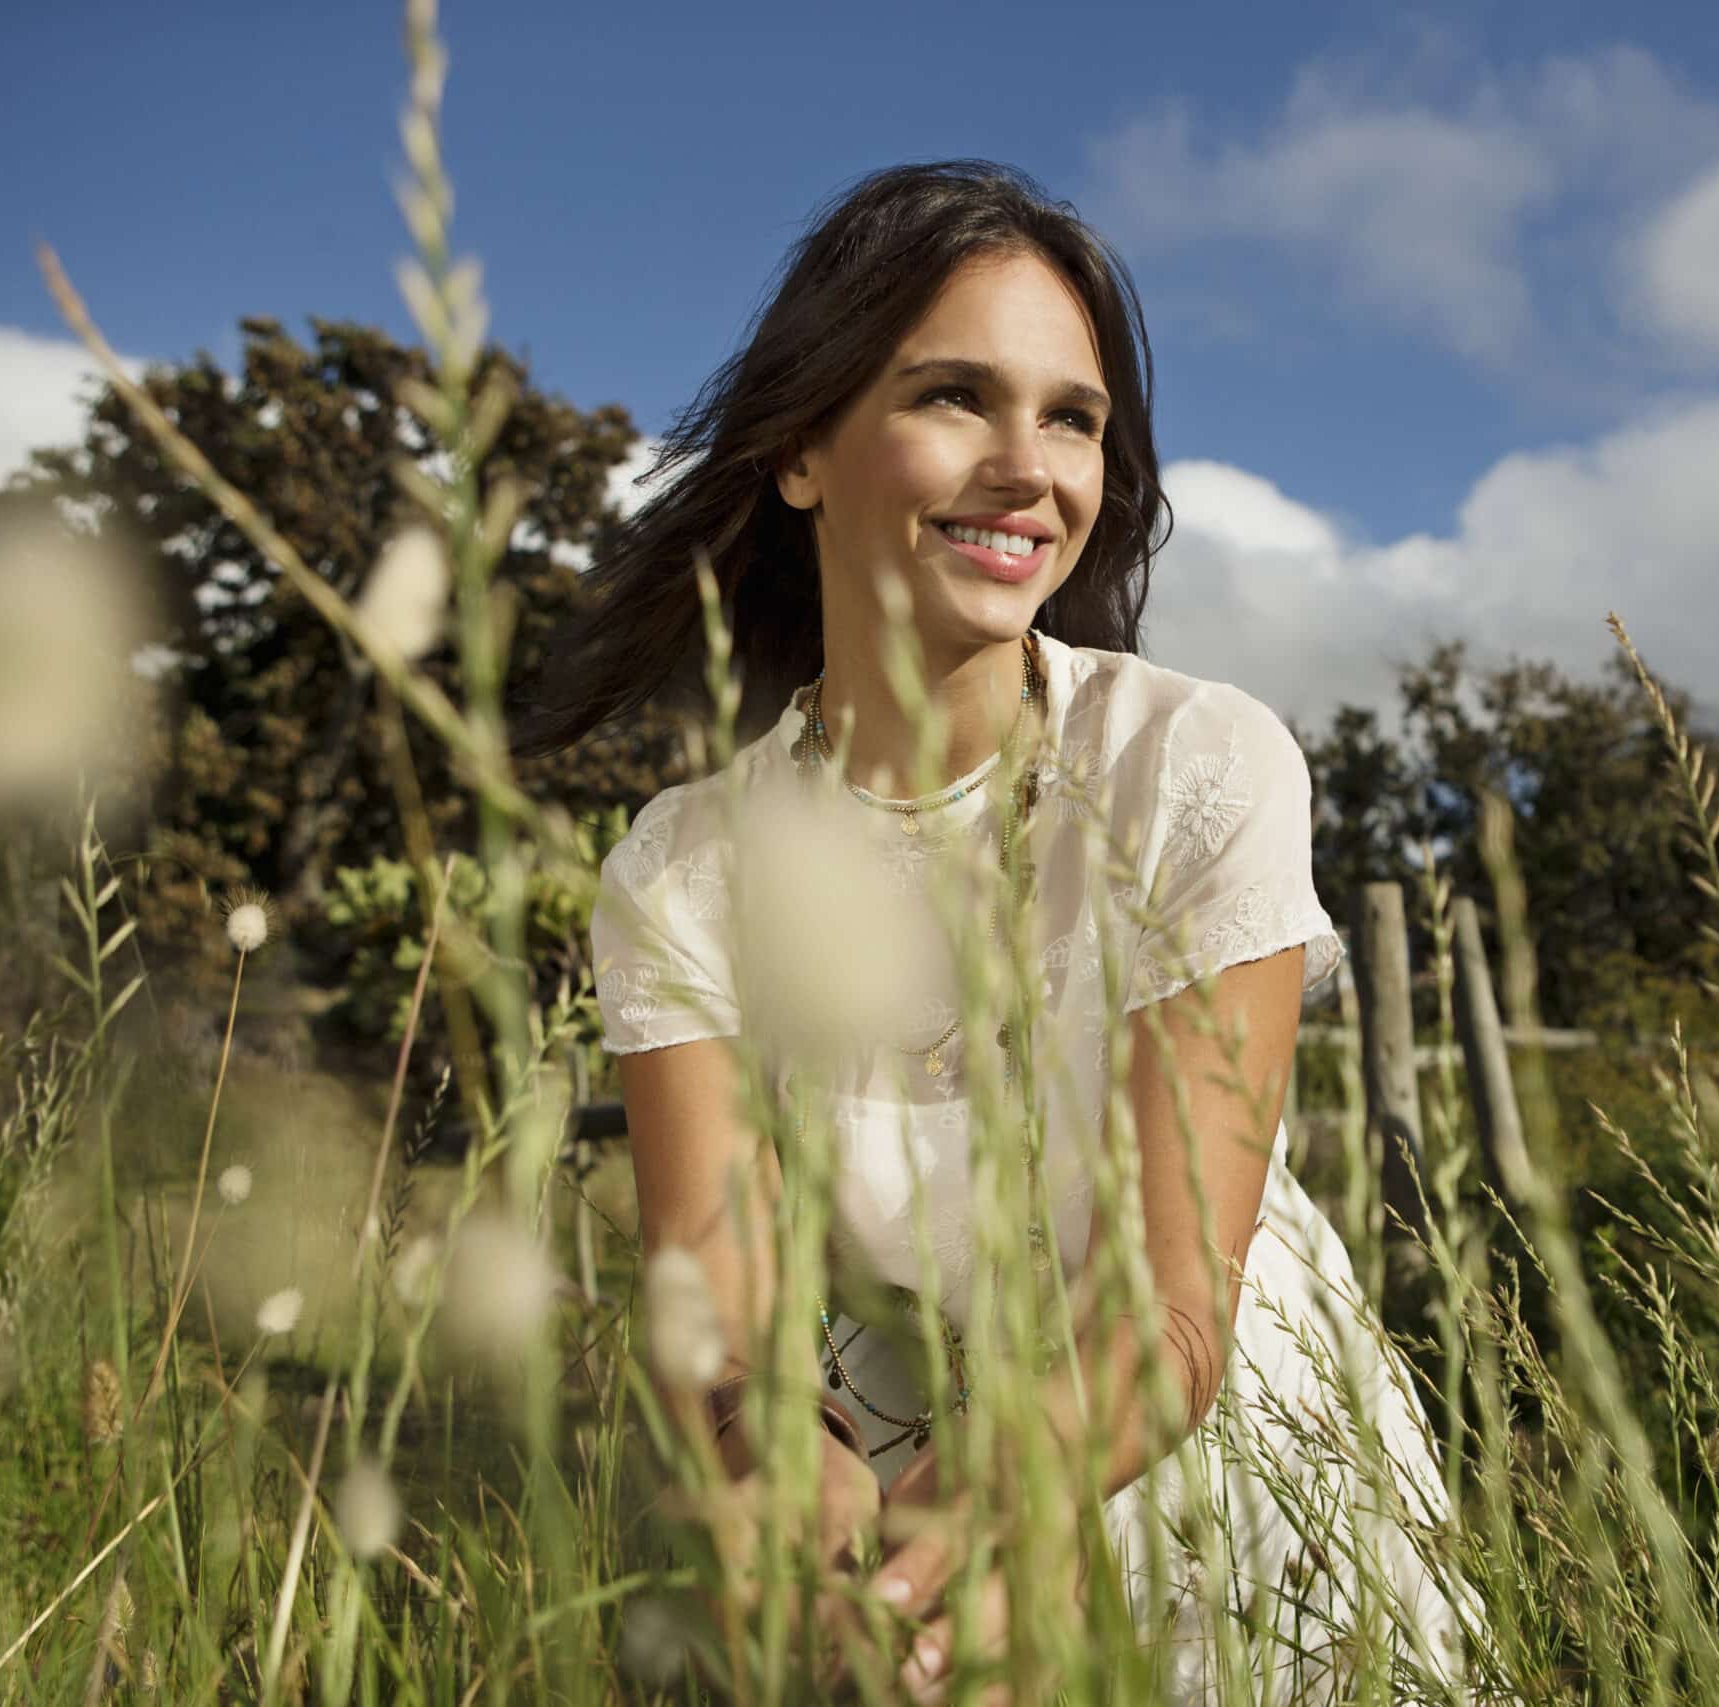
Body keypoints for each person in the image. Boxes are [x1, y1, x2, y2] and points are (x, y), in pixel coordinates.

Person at [517, 160, 1474, 1702]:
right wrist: (795, 1475)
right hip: (876, 1447)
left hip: (1203, 1447)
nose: (1030, 468)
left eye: (1075, 418)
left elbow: (1174, 1306)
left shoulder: (1196, 767)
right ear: (799, 452)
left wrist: (960, 1521)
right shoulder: (684, 872)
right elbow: (714, 1273)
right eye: (956, 397)